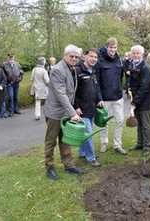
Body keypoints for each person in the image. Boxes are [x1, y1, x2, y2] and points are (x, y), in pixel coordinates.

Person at [43, 44, 83, 180]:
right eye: (71, 56)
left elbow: (72, 91)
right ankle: (49, 167)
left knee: (65, 139)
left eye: (76, 57)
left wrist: (74, 108)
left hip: (66, 111)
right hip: (54, 113)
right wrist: (73, 113)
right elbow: (61, 94)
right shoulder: (57, 70)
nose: (74, 59)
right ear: (65, 55)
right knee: (51, 141)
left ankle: (68, 165)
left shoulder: (72, 68)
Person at [96, 37, 127, 155]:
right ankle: (104, 142)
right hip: (104, 99)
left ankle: (117, 144)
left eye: (115, 47)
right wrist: (99, 98)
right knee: (104, 122)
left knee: (119, 120)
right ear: (106, 47)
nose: (113, 50)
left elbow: (120, 77)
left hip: (118, 97)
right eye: (111, 47)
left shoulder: (119, 60)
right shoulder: (100, 61)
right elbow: (97, 81)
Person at [74, 49, 104, 167]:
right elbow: (73, 91)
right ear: (85, 56)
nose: (94, 59)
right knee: (88, 134)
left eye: (96, 57)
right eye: (91, 56)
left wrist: (100, 99)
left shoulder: (94, 71)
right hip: (82, 109)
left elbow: (97, 88)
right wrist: (75, 107)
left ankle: (82, 152)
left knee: (86, 132)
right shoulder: (77, 71)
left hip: (92, 108)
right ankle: (91, 158)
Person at [128, 45, 150, 155]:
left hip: (146, 101)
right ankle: (140, 143)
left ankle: (148, 146)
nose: (136, 55)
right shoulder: (133, 66)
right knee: (139, 123)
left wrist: (135, 102)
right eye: (134, 53)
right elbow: (133, 82)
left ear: (142, 55)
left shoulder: (146, 68)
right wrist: (129, 88)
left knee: (145, 124)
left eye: (138, 53)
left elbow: (144, 87)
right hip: (137, 99)